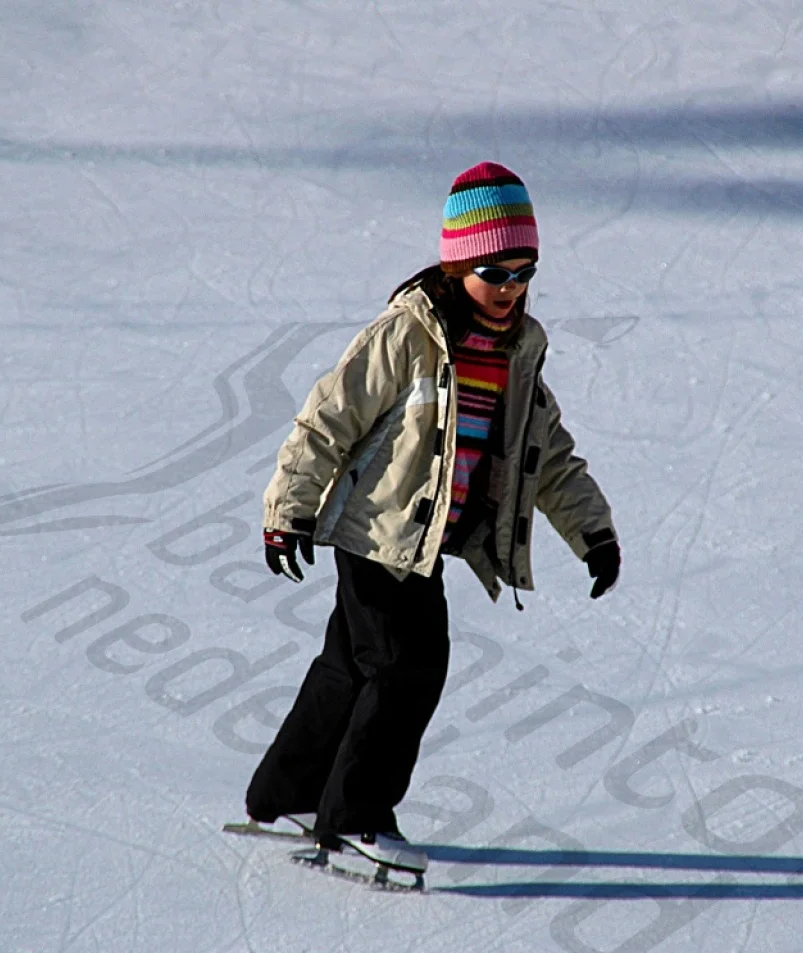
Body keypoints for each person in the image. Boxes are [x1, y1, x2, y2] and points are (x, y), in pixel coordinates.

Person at [243, 162, 620, 873]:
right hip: (378, 535)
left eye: (523, 270)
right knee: (409, 667)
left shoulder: (517, 354)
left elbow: (550, 455)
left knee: (350, 668)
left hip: (423, 542)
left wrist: (592, 532)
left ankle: (285, 792)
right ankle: (355, 818)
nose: (509, 287)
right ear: (457, 266)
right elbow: (326, 421)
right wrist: (288, 511)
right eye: (493, 271)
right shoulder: (407, 336)